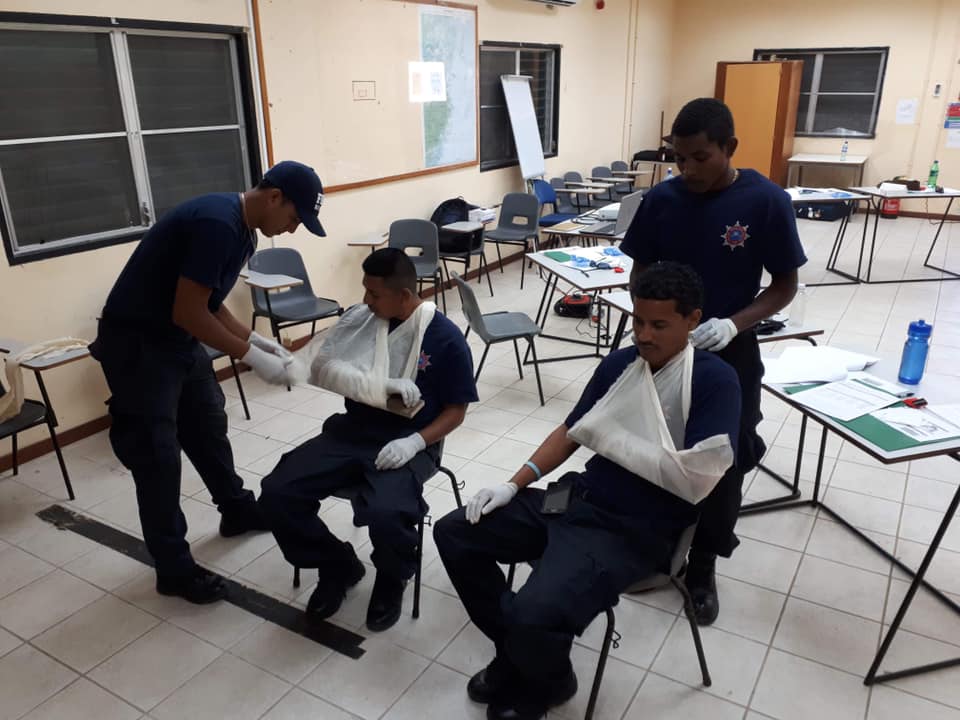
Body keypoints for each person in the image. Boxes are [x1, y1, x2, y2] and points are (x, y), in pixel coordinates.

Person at [433, 262, 741, 720]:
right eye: (637, 321)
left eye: (659, 325)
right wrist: (513, 483)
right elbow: (572, 430)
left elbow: (699, 474)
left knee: (533, 610)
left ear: (693, 320)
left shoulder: (714, 381)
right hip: (577, 500)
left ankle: (546, 680)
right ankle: (522, 656)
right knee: (455, 532)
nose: (643, 335)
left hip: (636, 530)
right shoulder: (620, 364)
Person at [89, 160, 326, 604]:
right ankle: (173, 569)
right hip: (139, 346)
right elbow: (189, 312)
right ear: (275, 197)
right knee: (158, 456)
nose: (293, 229)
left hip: (176, 340)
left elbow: (210, 304)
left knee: (207, 425)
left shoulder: (244, 230)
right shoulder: (217, 223)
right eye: (295, 218)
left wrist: (257, 341)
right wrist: (252, 358)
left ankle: (236, 510)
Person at [620, 98, 807, 625]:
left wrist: (733, 324)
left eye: (700, 157)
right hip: (665, 349)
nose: (688, 169)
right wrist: (655, 325)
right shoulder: (661, 199)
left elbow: (784, 286)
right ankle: (657, 546)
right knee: (657, 447)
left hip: (730, 352)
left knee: (722, 460)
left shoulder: (765, 201)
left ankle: (702, 565)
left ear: (730, 148)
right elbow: (639, 272)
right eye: (680, 158)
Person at [259, 248, 478, 632]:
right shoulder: (361, 321)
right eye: (365, 290)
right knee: (278, 490)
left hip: (410, 440)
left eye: (374, 294)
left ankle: (392, 577)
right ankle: (337, 564)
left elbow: (456, 412)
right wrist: (379, 384)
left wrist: (415, 443)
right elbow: (323, 367)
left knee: (388, 512)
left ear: (404, 295)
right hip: (352, 431)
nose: (365, 300)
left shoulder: (445, 338)